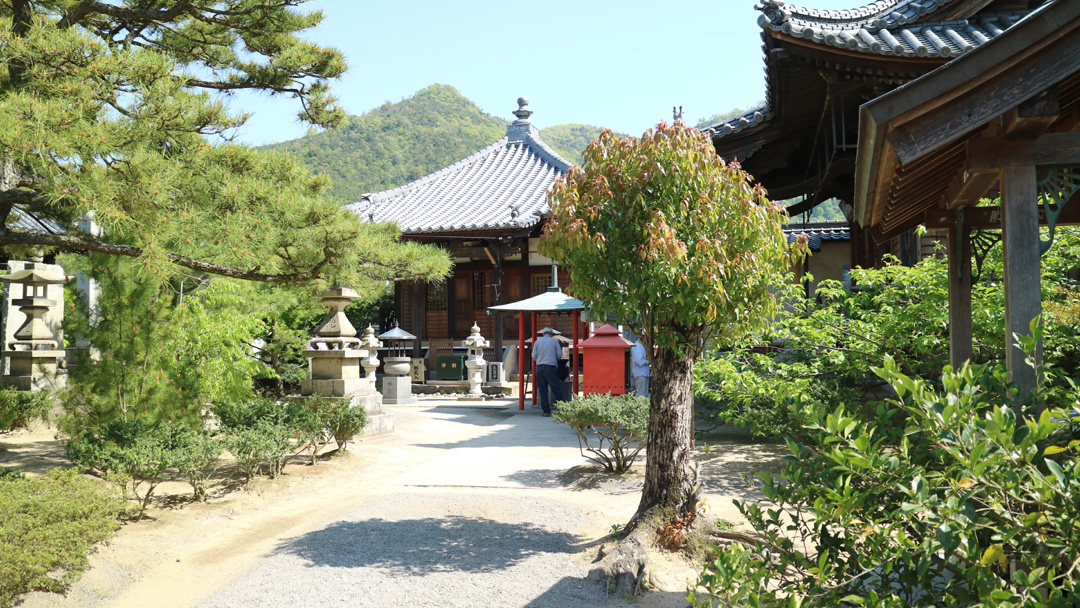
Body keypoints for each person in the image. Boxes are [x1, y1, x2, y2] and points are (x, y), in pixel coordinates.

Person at [531, 327, 563, 416]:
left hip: (539, 367)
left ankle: (546, 411)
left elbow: (534, 355)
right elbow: (559, 355)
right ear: (552, 334)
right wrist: (553, 359)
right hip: (550, 367)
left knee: (542, 390)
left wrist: (540, 359)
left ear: (543, 334)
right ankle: (562, 409)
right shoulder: (554, 342)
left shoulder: (537, 342)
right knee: (556, 388)